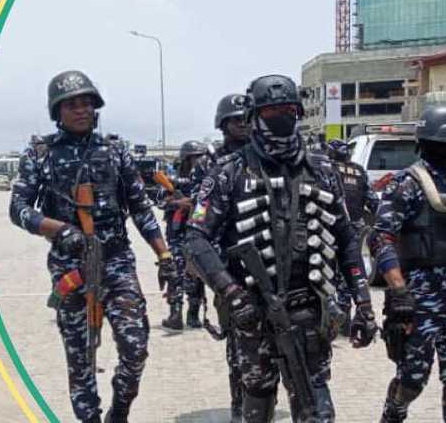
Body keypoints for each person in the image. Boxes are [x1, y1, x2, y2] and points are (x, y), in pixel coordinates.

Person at [183, 75, 376, 423]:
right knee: (256, 406)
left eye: (287, 110)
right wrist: (230, 291)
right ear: (254, 117)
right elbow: (196, 238)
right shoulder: (229, 172)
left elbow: (347, 238)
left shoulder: (322, 170)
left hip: (309, 311)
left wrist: (363, 301)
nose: (280, 117)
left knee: (317, 407)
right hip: (253, 312)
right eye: (271, 111)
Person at [9, 70, 176, 423]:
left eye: (87, 103)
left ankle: (119, 413)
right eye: (72, 105)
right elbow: (19, 209)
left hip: (116, 261)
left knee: (136, 347)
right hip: (71, 267)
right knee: (81, 358)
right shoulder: (40, 154)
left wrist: (163, 254)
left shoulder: (115, 151)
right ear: (58, 111)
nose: (81, 110)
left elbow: (140, 207)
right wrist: (57, 230)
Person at [368, 106, 446, 423]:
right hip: (419, 301)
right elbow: (381, 238)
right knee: (411, 381)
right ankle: (392, 415)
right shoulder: (407, 185)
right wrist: (399, 290)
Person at [190, 92, 252, 419]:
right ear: (223, 124)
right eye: (235, 120)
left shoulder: (265, 157)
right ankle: (239, 405)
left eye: (246, 119)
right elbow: (198, 219)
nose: (242, 125)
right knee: (238, 342)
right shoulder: (209, 165)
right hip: (225, 263)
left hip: (265, 258)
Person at [157, 139, 220, 336]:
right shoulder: (173, 181)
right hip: (177, 235)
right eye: (193, 158)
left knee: (197, 273)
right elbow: (159, 200)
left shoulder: (206, 181)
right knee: (175, 271)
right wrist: (177, 203)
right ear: (185, 160)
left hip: (198, 234)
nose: (197, 162)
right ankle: (176, 314)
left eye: (200, 158)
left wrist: (191, 204)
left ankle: (193, 314)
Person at [324, 139, 380, 333]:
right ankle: (346, 320)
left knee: (329, 274)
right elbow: (373, 201)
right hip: (355, 229)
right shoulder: (359, 172)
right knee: (352, 274)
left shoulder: (327, 170)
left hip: (330, 228)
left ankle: (335, 319)